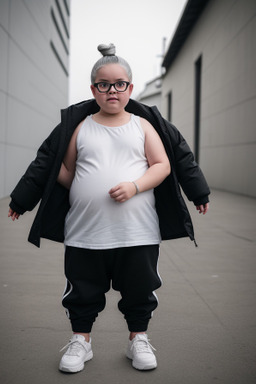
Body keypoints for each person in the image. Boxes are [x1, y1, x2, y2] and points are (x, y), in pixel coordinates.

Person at [8, 43, 210, 373]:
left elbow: (164, 165)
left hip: (138, 231)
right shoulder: (80, 127)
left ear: (130, 87)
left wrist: (134, 186)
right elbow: (64, 170)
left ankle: (138, 338)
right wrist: (24, 197)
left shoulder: (143, 126)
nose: (112, 90)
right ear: (94, 89)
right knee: (82, 289)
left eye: (119, 84)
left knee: (140, 288)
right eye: (104, 84)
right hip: (86, 232)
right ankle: (81, 341)